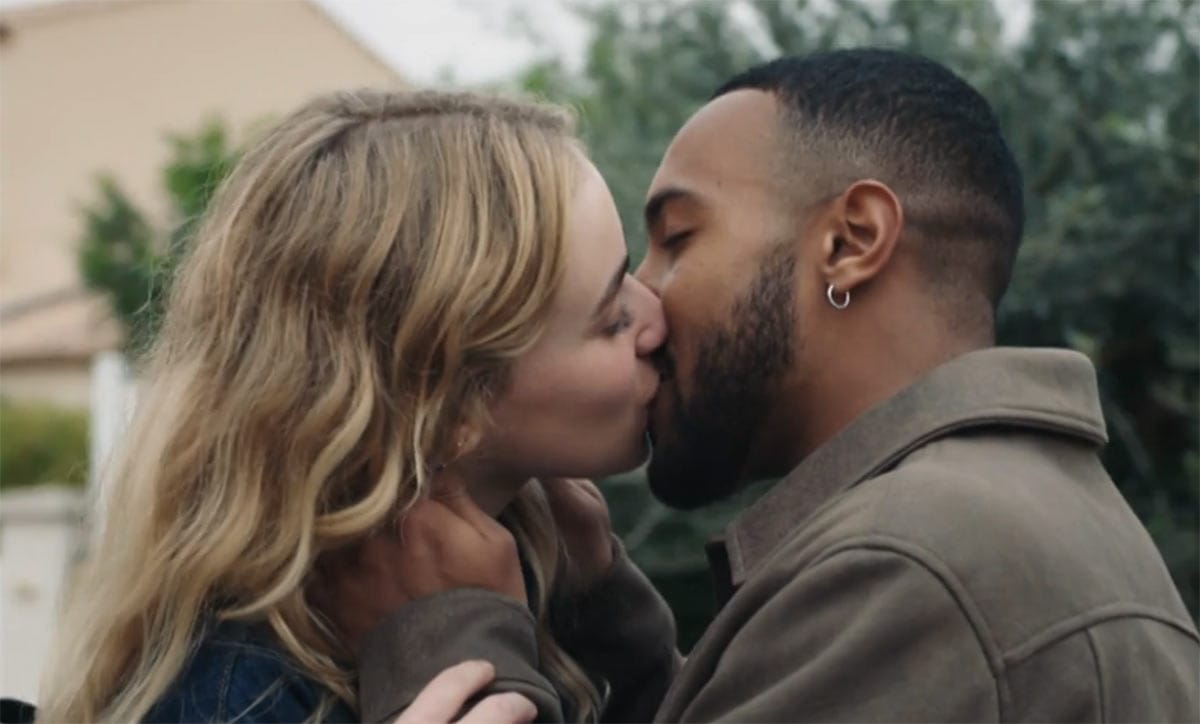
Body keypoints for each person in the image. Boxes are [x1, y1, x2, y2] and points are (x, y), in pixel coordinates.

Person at [348, 49, 1200, 722]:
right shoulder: (1000, 518)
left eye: (678, 238)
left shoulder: (916, 566)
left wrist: (446, 643)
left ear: (850, 242)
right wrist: (613, 627)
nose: (647, 303)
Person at [35, 89, 678, 722]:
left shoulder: (544, 569)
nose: (656, 319)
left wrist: (613, 625)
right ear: (448, 399)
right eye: (612, 318)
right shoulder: (243, 701)